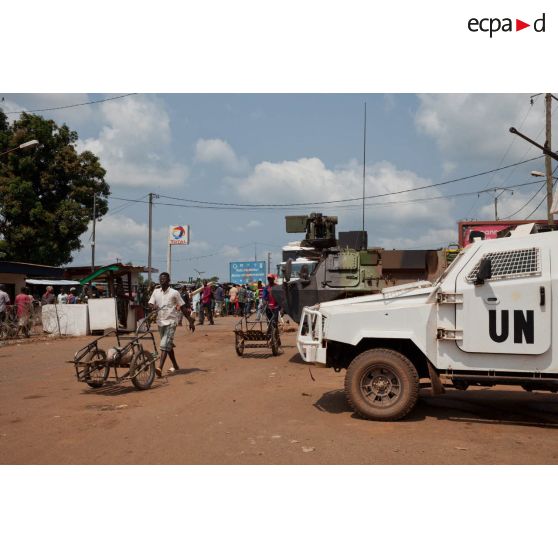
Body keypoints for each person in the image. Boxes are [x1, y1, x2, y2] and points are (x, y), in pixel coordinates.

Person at [148, 272, 194, 377]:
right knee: (168, 345)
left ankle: (159, 368)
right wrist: (152, 307)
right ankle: (175, 365)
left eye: (164, 279)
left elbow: (182, 307)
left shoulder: (174, 293)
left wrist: (190, 321)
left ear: (169, 281)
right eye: (160, 279)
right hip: (160, 321)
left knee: (164, 344)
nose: (162, 280)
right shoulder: (156, 292)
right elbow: (150, 303)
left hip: (171, 322)